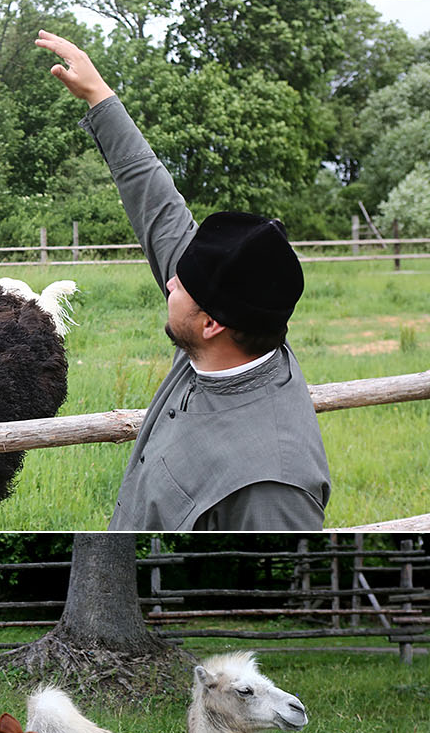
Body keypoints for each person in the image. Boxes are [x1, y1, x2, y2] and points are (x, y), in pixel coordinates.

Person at [37, 36, 331, 534]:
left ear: (212, 323)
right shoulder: (231, 330)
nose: (168, 278)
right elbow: (156, 201)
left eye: (180, 282)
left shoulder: (273, 488)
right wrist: (99, 98)